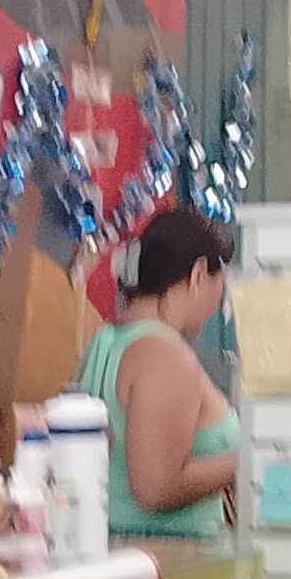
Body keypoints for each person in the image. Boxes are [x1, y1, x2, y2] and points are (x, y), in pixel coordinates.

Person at [77, 205, 239, 541]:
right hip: (173, 560)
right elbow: (155, 489)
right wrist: (249, 460)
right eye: (219, 287)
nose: (216, 307)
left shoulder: (104, 343)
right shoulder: (165, 356)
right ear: (198, 274)